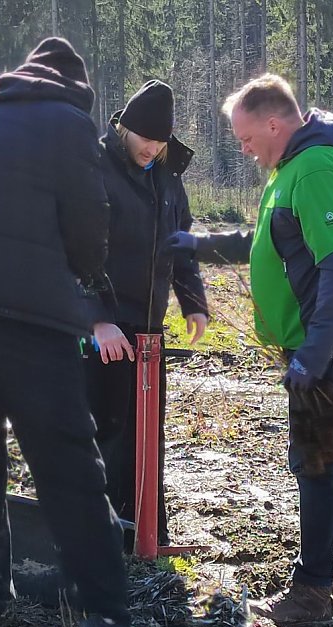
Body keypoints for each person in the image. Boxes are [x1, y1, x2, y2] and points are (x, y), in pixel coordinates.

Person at [0, 37, 141, 627]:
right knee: (68, 466)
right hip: (31, 319)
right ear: (76, 89)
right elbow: (89, 226)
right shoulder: (69, 124)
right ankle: (105, 617)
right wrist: (86, 287)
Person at [168, 74, 333, 627]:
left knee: (315, 460)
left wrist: (314, 354)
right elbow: (267, 242)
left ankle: (312, 594)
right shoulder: (289, 169)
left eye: (245, 138)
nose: (243, 149)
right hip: (315, 338)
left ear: (273, 123)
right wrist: (198, 244)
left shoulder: (314, 171)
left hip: (327, 341)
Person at [86, 79, 209, 550]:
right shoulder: (95, 168)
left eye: (160, 141)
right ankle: (100, 536)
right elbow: (76, 249)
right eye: (145, 138)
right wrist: (97, 319)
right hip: (104, 330)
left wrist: (193, 302)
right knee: (106, 431)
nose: (152, 149)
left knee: (146, 434)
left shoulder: (168, 177)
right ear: (124, 128)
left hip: (149, 331)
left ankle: (147, 532)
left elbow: (181, 246)